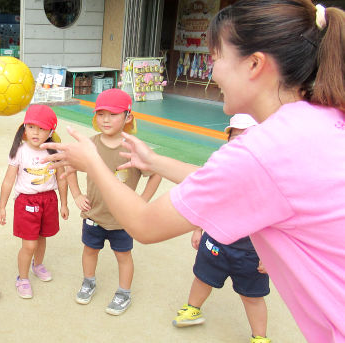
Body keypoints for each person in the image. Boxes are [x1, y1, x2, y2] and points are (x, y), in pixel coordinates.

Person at [41, 1, 345, 342]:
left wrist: (92, 163)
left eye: (216, 57)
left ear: (255, 64)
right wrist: (153, 162)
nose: (212, 72)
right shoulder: (318, 121)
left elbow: (145, 225)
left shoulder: (262, 152)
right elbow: (230, 182)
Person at [172, 114, 272, 343]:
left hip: (251, 252)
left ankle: (260, 337)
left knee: (252, 296)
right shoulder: (219, 167)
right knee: (202, 278)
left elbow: (275, 222)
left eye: (247, 137)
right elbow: (207, 201)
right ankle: (193, 309)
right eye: (235, 137)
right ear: (227, 141)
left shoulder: (269, 177)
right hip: (215, 240)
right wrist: (197, 228)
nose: (240, 142)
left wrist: (270, 255)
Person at [68, 88, 161, 315]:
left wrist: (142, 201)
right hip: (94, 214)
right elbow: (69, 167)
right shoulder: (90, 145)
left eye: (113, 114)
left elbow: (156, 172)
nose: (106, 119)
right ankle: (88, 281)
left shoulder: (134, 147)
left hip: (124, 219)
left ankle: (123, 293)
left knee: (123, 255)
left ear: (128, 117)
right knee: (90, 250)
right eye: (101, 114)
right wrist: (77, 195)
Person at [0, 104, 69, 299]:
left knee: (42, 238)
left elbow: (62, 179)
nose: (35, 132)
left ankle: (38, 265)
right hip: (27, 202)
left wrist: (64, 203)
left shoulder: (54, 151)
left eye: (42, 128)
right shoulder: (19, 151)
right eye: (31, 127)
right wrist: (2, 206)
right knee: (29, 244)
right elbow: (8, 181)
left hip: (48, 200)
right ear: (24, 127)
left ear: (51, 131)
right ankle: (22, 278)